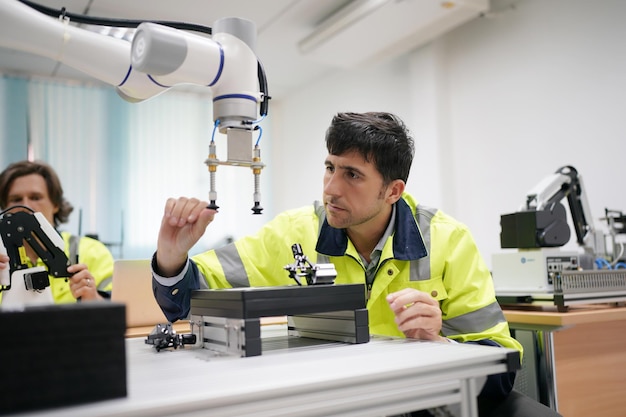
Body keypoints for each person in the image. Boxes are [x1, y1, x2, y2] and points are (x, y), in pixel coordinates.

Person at [151, 112, 560, 417]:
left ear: (393, 191)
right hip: (335, 403)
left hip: (425, 403)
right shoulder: (293, 233)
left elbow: (501, 364)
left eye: (352, 174)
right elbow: (188, 301)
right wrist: (173, 257)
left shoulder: (449, 241)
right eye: (329, 167)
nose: (331, 188)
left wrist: (441, 347)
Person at [0, 160, 114, 303]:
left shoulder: (93, 253)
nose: (25, 206)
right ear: (5, 207)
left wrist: (94, 299)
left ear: (56, 204)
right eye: (16, 199)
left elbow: (123, 310)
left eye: (35, 197)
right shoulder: (1, 259)